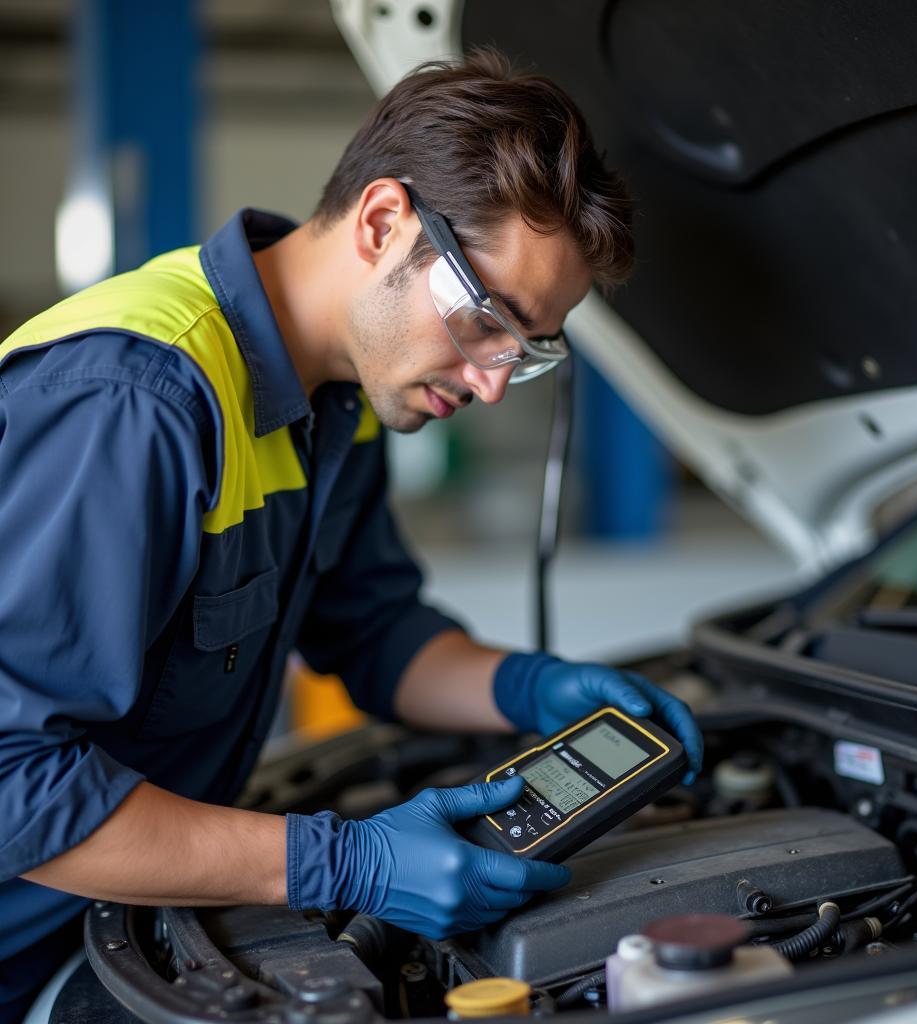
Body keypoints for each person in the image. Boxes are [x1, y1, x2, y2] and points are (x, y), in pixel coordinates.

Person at [0, 50, 703, 1021]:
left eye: (530, 348)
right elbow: (13, 786)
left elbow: (371, 632)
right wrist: (348, 861)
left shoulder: (347, 398)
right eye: (489, 318)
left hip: (115, 930)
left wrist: (528, 686)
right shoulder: (137, 401)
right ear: (383, 223)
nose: (495, 380)